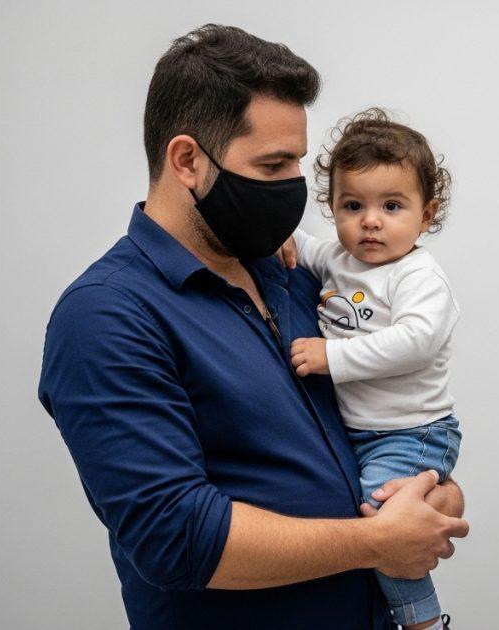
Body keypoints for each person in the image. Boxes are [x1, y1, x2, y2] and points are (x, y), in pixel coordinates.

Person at [37, 25, 466, 629]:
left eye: (296, 160)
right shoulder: (107, 316)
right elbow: (176, 536)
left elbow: (370, 423)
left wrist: (431, 497)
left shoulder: (288, 270)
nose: (295, 186)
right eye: (273, 165)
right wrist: (376, 542)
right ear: (187, 160)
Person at [286, 109, 461, 630]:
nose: (370, 221)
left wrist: (330, 356)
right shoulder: (339, 258)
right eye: (352, 205)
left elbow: (415, 342)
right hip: (363, 432)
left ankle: (421, 620)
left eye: (391, 206)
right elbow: (303, 245)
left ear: (425, 215)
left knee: (383, 519)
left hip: (415, 431)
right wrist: (281, 239)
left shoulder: (418, 275)